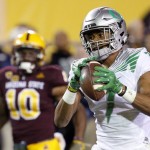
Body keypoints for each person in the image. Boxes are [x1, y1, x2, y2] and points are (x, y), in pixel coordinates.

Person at [54, 6, 150, 150]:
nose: (94, 41)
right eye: (90, 36)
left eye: (100, 34)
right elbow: (60, 121)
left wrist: (120, 89)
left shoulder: (138, 58)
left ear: (118, 32)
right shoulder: (85, 67)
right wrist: (71, 88)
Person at [0, 30, 86, 150]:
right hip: (18, 146)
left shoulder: (49, 74)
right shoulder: (6, 76)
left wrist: (79, 139)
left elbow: (77, 107)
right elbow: (3, 112)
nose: (25, 57)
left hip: (45, 146)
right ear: (15, 53)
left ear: (40, 54)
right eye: (22, 52)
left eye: (30, 53)